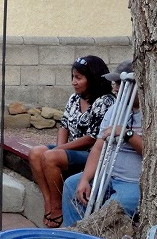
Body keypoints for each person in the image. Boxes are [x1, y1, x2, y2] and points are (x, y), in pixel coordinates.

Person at [28, 55, 115, 228]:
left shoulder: (105, 101)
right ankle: (49, 202)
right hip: (70, 149)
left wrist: (58, 151)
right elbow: (64, 126)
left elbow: (92, 138)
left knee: (50, 157)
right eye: (73, 77)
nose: (74, 82)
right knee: (36, 152)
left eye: (79, 78)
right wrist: (60, 148)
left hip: (91, 154)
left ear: (93, 79)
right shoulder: (75, 98)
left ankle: (58, 206)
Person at [62, 60, 142, 226]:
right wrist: (85, 180)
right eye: (115, 83)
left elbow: (153, 152)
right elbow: (98, 147)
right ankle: (74, 237)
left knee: (109, 213)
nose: (116, 88)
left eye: (121, 83)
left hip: (132, 183)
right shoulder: (115, 109)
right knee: (72, 185)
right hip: (107, 176)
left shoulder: (153, 112)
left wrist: (128, 134)